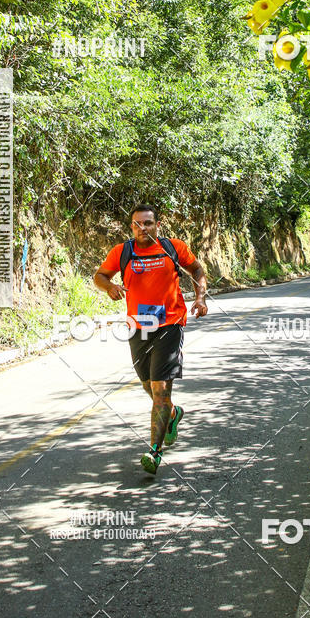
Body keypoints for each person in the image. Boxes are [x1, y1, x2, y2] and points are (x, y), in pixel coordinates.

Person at [94, 204, 208, 475]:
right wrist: (109, 286)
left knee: (159, 389)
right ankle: (171, 413)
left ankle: (154, 451)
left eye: (147, 223)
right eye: (136, 224)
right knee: (147, 385)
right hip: (139, 327)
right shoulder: (123, 252)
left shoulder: (173, 247)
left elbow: (197, 270)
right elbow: (99, 276)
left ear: (158, 224)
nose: (142, 228)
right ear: (131, 226)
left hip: (170, 324)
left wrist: (200, 298)